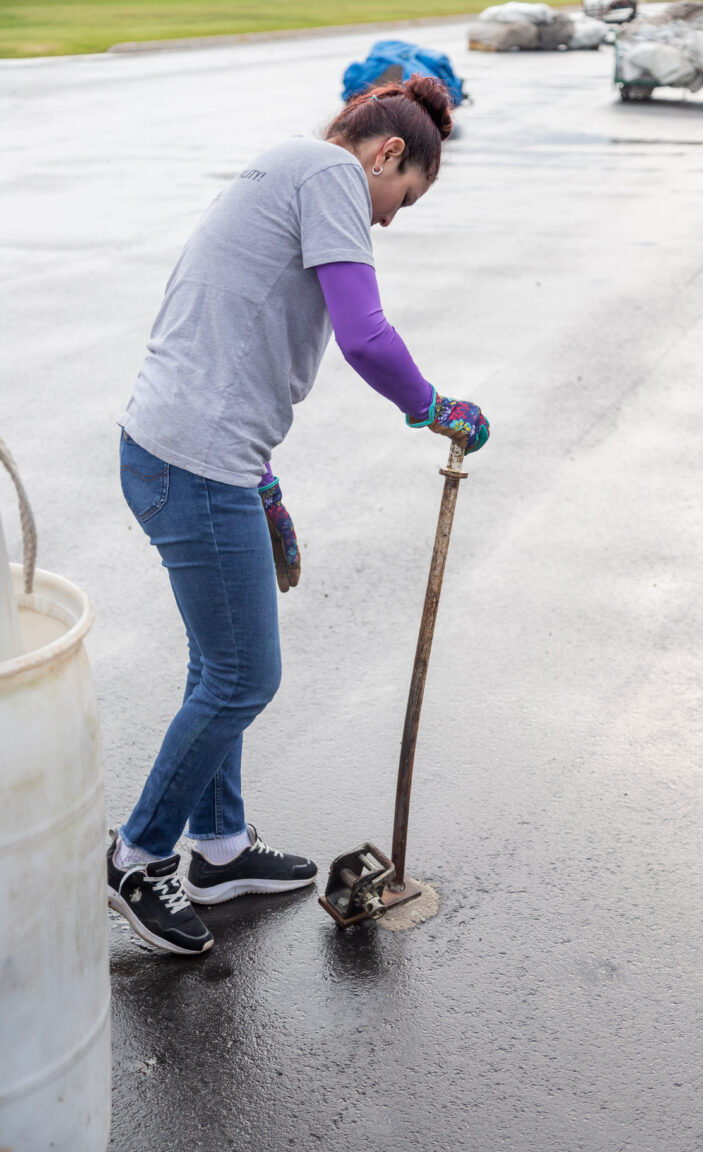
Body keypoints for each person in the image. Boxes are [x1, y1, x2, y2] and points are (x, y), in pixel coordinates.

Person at [108, 76, 490, 956]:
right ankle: (137, 858)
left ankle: (220, 849)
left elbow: (230, 330)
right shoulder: (330, 177)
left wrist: (265, 480)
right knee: (243, 677)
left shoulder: (282, 166)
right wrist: (436, 408)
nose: (391, 219)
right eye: (405, 196)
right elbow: (364, 334)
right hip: (194, 460)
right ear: (387, 153)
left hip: (185, 449)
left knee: (221, 664)